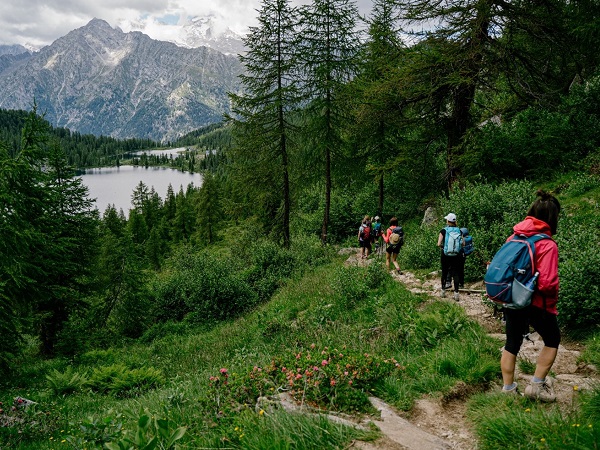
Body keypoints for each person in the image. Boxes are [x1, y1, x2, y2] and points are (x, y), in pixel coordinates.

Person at [500, 190, 561, 402]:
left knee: (512, 343)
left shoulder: (513, 237)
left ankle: (508, 389)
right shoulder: (547, 244)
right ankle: (536, 386)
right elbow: (548, 282)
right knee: (552, 339)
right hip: (537, 302)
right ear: (553, 218)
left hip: (513, 299)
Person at [437, 213, 462, 301]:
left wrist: (443, 248)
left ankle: (443, 291)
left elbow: (439, 244)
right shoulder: (459, 231)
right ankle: (456, 293)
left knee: (444, 272)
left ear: (448, 221)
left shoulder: (443, 230)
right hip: (456, 255)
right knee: (456, 273)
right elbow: (463, 243)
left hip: (445, 255)